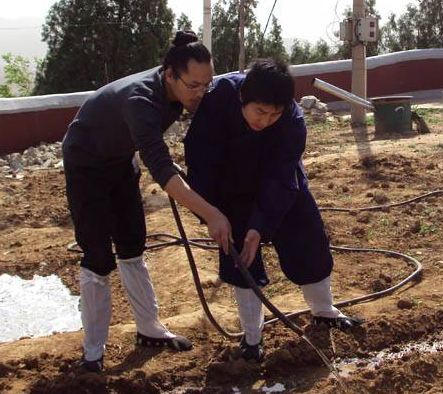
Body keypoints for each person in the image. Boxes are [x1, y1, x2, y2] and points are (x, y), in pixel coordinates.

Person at [62, 31, 233, 372]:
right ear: (170, 74)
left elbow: (164, 157)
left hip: (121, 159)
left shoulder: (178, 93)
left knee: (132, 244)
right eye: (194, 85)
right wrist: (211, 213)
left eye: (207, 85)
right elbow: (161, 169)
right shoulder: (140, 99)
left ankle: (149, 328)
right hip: (86, 162)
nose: (201, 94)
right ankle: (93, 352)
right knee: (97, 256)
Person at [183, 58, 362, 361]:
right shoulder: (219, 100)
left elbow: (282, 176)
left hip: (279, 185)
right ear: (243, 98)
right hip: (230, 190)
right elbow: (201, 161)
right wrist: (211, 213)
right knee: (241, 259)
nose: (265, 121)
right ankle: (252, 338)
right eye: (260, 112)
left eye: (274, 114)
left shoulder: (292, 122)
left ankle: (323, 309)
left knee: (308, 239)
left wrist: (261, 226)